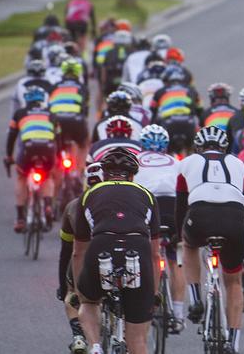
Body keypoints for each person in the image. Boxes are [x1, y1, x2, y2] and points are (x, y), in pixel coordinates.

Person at [73, 147, 161, 354]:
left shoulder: (89, 195)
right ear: (132, 176)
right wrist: (153, 293)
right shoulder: (147, 195)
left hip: (101, 245)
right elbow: (156, 253)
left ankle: (94, 345)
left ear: (104, 174)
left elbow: (78, 252)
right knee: (138, 340)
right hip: (137, 248)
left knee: (89, 300)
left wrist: (80, 292)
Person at [175, 126, 244, 353]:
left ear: (198, 147)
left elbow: (181, 204)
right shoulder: (238, 163)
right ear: (225, 147)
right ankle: (233, 343)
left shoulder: (187, 161)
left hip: (200, 215)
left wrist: (180, 234)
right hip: (234, 218)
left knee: (189, 245)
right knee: (234, 283)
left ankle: (196, 297)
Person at [133, 124, 186, 332]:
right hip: (172, 208)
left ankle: (150, 303)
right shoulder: (175, 161)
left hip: (148, 205)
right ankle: (179, 316)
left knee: (149, 256)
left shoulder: (136, 159)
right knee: (175, 262)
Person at [56, 162, 103, 354]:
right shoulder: (121, 201)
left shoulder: (73, 206)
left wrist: (63, 287)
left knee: (73, 295)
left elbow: (66, 251)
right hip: (119, 255)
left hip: (84, 260)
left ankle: (78, 336)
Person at [4, 86, 56, 232]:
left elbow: (12, 136)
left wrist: (9, 156)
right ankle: (47, 206)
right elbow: (58, 137)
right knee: (47, 177)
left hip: (28, 149)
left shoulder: (19, 113)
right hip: (48, 149)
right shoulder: (51, 114)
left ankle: (20, 218)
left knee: (21, 177)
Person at [49, 58, 90, 174]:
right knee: (83, 144)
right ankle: (80, 170)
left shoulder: (55, 86)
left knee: (55, 146)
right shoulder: (82, 87)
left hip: (56, 121)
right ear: (78, 72)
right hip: (75, 120)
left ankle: (55, 171)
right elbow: (85, 111)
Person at [150, 66, 201, 155]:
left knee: (166, 152)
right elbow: (200, 109)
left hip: (168, 123)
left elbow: (152, 109)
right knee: (193, 152)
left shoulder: (160, 91)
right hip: (188, 122)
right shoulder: (192, 90)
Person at [100, 30, 133, 101]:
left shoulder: (109, 52)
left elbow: (104, 70)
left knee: (110, 102)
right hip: (127, 84)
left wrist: (103, 85)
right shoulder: (132, 53)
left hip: (111, 83)